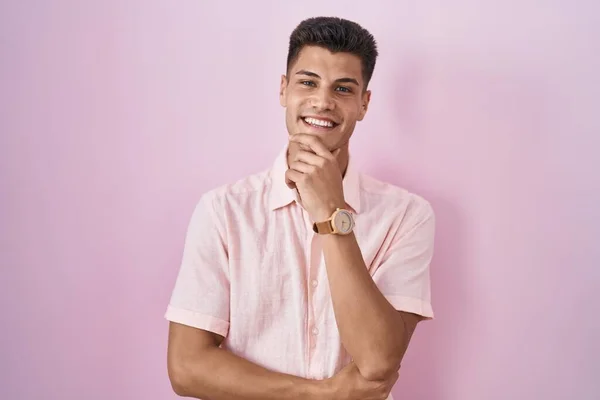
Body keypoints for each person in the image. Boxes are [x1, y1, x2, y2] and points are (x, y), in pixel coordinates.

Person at [164, 16, 435, 400]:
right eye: (308, 82)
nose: (323, 101)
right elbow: (187, 369)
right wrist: (319, 395)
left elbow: (378, 363)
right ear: (283, 89)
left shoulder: (407, 215)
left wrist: (330, 213)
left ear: (364, 104)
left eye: (343, 89)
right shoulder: (224, 211)